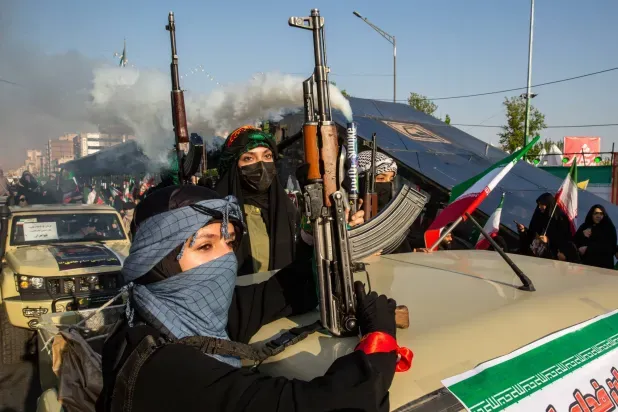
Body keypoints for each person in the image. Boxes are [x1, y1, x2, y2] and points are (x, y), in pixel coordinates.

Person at [97, 185, 408, 412]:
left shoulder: (178, 316)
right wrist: (380, 337)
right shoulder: (167, 369)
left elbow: (278, 294)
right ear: (157, 262)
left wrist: (323, 240)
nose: (227, 259)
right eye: (205, 246)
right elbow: (334, 406)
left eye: (230, 242)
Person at [214, 126, 304, 274]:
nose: (261, 165)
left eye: (267, 156)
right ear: (233, 166)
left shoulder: (288, 210)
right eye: (249, 158)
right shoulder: (217, 217)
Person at [516, 193, 572, 260]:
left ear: (548, 205)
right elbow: (531, 234)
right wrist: (523, 230)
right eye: (539, 204)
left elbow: (563, 240)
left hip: (548, 259)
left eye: (542, 204)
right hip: (531, 254)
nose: (539, 207)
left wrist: (548, 240)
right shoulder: (538, 214)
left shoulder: (560, 219)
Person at [575, 204, 617, 269]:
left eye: (601, 214)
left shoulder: (609, 228)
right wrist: (582, 234)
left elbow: (611, 247)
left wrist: (588, 249)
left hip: (603, 268)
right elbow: (575, 241)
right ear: (591, 215)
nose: (598, 216)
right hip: (585, 266)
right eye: (596, 213)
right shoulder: (585, 226)